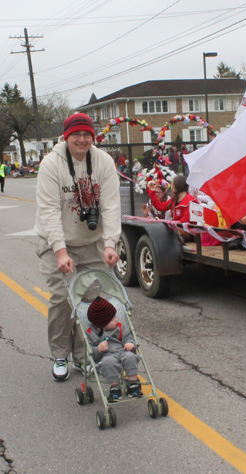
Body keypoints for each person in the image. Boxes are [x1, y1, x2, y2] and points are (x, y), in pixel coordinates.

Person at [34, 113, 121, 381]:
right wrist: (60, 251)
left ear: (93, 138)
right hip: (56, 242)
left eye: (87, 135)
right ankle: (60, 354)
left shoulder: (104, 162)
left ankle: (84, 357)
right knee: (62, 300)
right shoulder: (51, 164)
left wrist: (110, 244)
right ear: (66, 136)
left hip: (92, 243)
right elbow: (49, 212)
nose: (82, 139)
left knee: (93, 302)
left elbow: (111, 206)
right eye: (76, 135)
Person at [85, 296, 143, 402]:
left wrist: (130, 343)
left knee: (130, 356)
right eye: (112, 319)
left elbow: (129, 337)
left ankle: (133, 384)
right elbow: (91, 352)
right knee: (108, 361)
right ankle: (114, 387)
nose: (116, 320)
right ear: (102, 323)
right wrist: (98, 349)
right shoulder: (92, 334)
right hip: (107, 355)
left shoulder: (120, 328)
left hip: (123, 351)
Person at [147, 175, 198, 241]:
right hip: (176, 228)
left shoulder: (191, 201)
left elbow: (185, 220)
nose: (171, 187)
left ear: (177, 187)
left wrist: (170, 225)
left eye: (173, 185)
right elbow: (160, 206)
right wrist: (152, 192)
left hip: (188, 231)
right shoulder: (174, 199)